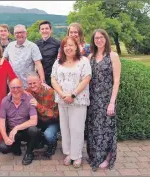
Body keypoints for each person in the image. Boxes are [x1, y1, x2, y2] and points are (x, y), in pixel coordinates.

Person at [51, 36, 92, 168]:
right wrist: (63, 95)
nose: (68, 48)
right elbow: (53, 79)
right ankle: (68, 153)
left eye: (71, 45)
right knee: (65, 128)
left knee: (77, 128)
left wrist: (73, 95)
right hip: (63, 100)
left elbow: (86, 79)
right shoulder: (58, 62)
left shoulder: (83, 61)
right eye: (65, 46)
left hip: (78, 100)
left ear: (76, 46)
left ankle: (77, 155)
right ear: (62, 48)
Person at [87, 29, 121, 171]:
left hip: (107, 99)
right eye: (96, 38)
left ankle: (107, 157)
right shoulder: (90, 57)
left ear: (106, 39)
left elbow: (117, 80)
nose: (99, 40)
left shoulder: (112, 56)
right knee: (94, 128)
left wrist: (112, 102)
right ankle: (96, 155)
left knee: (107, 128)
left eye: (101, 37)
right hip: (93, 99)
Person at [0, 78, 40, 165]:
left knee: (34, 130)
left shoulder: (29, 98)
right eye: (13, 87)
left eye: (18, 87)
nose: (16, 90)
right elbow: (1, 123)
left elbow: (34, 121)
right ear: (9, 88)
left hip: (25, 130)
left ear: (23, 87)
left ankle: (29, 153)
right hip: (13, 132)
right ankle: (16, 146)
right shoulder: (5, 101)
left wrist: (17, 128)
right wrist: (6, 138)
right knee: (3, 148)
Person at [26, 72, 59, 158]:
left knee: (48, 134)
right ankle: (41, 140)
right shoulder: (28, 91)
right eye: (30, 83)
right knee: (31, 130)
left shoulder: (50, 92)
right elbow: (19, 92)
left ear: (40, 81)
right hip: (39, 121)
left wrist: (38, 106)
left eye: (34, 83)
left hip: (52, 121)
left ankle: (52, 144)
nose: (32, 85)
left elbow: (53, 114)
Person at [35, 20, 60, 87]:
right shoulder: (35, 44)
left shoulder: (57, 43)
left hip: (52, 76)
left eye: (46, 28)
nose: (44, 31)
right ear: (39, 31)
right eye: (42, 29)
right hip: (38, 76)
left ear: (51, 30)